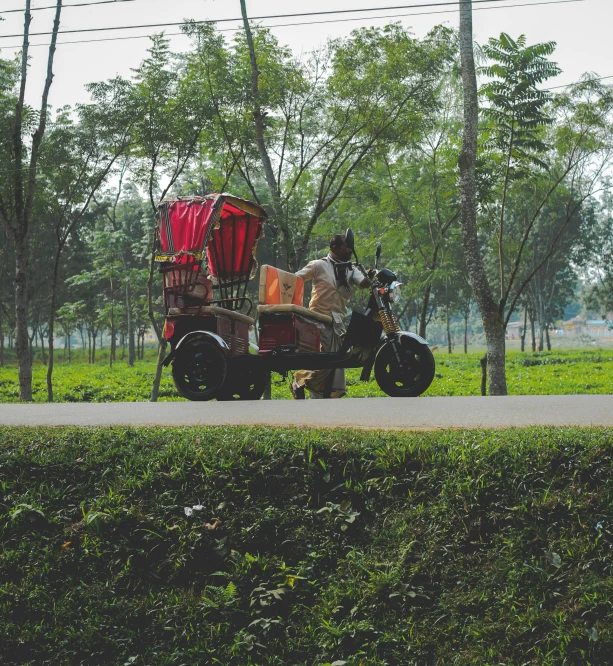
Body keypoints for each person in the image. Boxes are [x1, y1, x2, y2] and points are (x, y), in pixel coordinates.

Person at [292, 234, 371, 399]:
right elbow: (295, 279)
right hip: (317, 320)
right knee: (326, 359)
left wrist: (371, 276)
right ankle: (300, 381)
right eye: (346, 247)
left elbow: (362, 283)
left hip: (337, 323)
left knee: (335, 361)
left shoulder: (351, 269)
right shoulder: (319, 265)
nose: (350, 250)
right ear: (335, 248)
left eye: (351, 247)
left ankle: (314, 390)